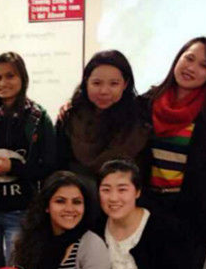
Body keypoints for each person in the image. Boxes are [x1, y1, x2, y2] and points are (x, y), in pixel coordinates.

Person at [139, 37, 206, 269]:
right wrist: (74, 106)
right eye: (189, 58)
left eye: (204, 65)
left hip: (191, 214)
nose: (192, 68)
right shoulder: (146, 102)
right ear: (178, 58)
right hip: (147, 211)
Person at [0, 51, 56, 267]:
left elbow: (50, 166)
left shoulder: (38, 117)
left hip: (20, 210)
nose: (2, 83)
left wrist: (14, 167)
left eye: (10, 76)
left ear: (22, 78)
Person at [56, 50, 150, 196]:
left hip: (122, 203)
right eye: (96, 83)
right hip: (77, 202)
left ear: (125, 84)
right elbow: (58, 169)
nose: (104, 91)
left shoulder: (138, 123)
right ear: (86, 82)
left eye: (114, 84)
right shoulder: (69, 117)